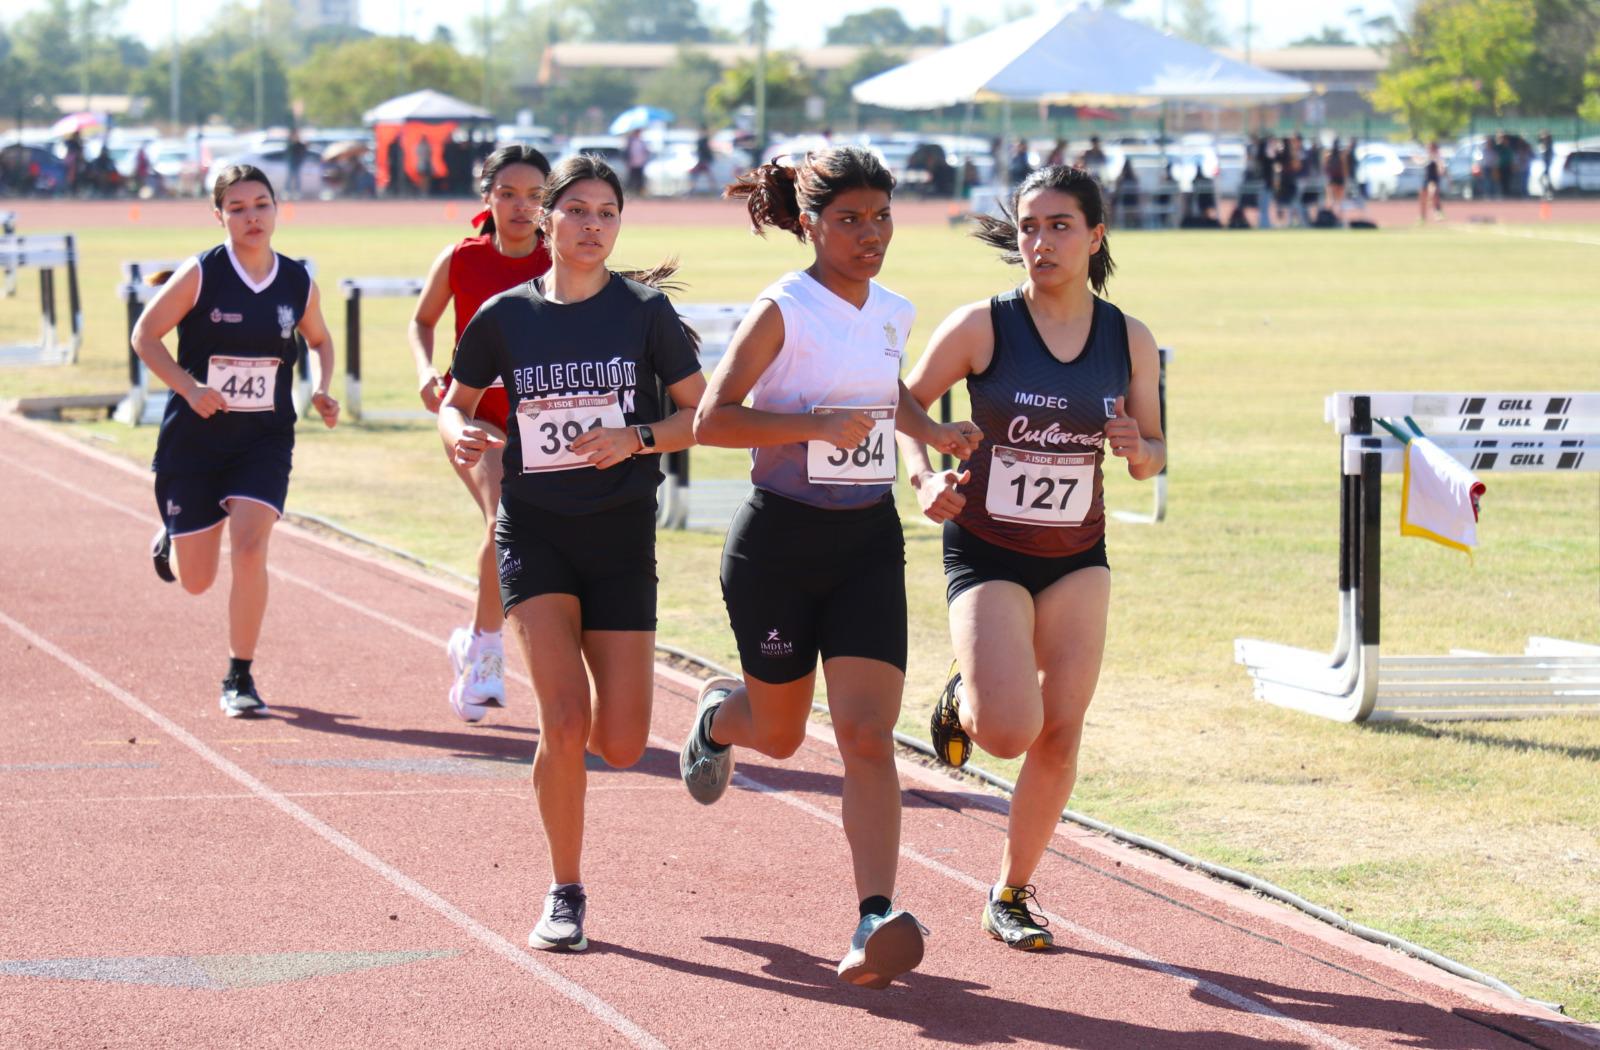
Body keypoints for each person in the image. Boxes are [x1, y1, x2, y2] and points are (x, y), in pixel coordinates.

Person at [678, 146, 981, 989]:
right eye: (848, 220)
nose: (869, 234)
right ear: (808, 224)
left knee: (864, 735)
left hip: (866, 546)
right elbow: (712, 420)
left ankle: (873, 915)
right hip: (778, 543)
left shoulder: (893, 309)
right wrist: (813, 426)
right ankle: (717, 719)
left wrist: (932, 432)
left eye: (881, 216)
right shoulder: (785, 308)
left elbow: (886, 394)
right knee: (778, 735)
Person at [439, 154, 706, 953]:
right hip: (537, 531)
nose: (593, 225)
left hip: (621, 538)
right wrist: (462, 436)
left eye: (608, 212)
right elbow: (455, 406)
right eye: (578, 210)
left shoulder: (645, 314)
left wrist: (638, 436)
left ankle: (705, 723)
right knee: (564, 719)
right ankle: (565, 891)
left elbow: (703, 414)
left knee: (621, 743)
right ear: (547, 220)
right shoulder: (504, 316)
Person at [896, 164, 1164, 950]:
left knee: (1061, 735)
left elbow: (1152, 455)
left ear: (1095, 235)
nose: (1039, 242)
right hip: (987, 548)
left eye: (1058, 227)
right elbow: (903, 405)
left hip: (1079, 553)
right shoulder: (985, 325)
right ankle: (964, 698)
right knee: (1010, 731)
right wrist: (923, 478)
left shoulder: (1128, 338)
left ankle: (1011, 891)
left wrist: (1135, 447)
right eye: (1027, 227)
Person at [134, 165, 341, 717]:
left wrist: (321, 389)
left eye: (262, 204)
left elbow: (320, 341)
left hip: (263, 439)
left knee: (250, 547)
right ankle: (171, 539)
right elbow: (145, 336)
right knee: (196, 580)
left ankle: (239, 675)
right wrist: (189, 386)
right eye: (239, 208)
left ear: (278, 208)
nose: (253, 217)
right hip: (196, 440)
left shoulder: (297, 281)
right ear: (219, 214)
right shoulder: (202, 273)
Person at [410, 145, 554, 723]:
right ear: (487, 198)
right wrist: (425, 371)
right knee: (504, 521)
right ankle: (487, 655)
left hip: (541, 424)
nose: (522, 208)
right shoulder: (461, 259)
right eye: (509, 194)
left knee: (534, 537)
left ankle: (474, 639)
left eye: (536, 197)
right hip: (472, 417)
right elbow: (422, 320)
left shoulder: (559, 262)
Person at [1421, 141, 1444, 223]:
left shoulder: (1437, 156)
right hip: (1426, 179)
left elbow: (1440, 165)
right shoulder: (1428, 156)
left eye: (1430, 147)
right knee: (1423, 197)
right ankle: (1423, 217)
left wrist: (1441, 169)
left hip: (1433, 179)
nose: (1428, 149)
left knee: (1433, 196)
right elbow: (1422, 163)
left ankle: (1438, 214)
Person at [625, 128, 650, 198]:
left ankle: (639, 193)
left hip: (640, 163)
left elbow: (645, 151)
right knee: (632, 179)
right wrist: (627, 161)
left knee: (640, 179)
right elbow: (627, 152)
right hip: (632, 164)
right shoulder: (630, 141)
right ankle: (630, 193)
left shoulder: (642, 142)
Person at [286, 129, 307, 200]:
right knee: (289, 178)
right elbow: (288, 152)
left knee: (297, 178)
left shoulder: (300, 144)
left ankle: (297, 192)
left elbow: (303, 151)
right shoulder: (289, 143)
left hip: (297, 163)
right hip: (291, 163)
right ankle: (287, 192)